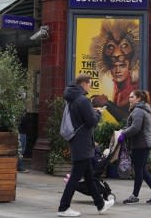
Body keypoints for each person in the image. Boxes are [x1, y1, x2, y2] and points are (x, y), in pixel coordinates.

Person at [58, 74, 114, 217]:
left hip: (79, 142)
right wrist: (99, 113)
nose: (90, 86)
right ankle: (64, 208)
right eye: (89, 84)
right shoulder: (82, 100)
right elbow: (91, 122)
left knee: (89, 177)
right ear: (84, 83)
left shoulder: (72, 98)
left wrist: (92, 112)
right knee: (75, 177)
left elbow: (80, 118)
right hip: (82, 143)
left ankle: (100, 205)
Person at [119, 89, 151, 205]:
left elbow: (135, 128)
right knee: (142, 170)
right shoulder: (141, 109)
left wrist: (123, 133)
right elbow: (134, 127)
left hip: (141, 144)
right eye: (129, 97)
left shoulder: (138, 110)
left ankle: (135, 196)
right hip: (143, 144)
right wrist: (124, 131)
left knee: (139, 170)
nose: (129, 99)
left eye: (132, 97)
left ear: (139, 99)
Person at [90, 20, 139, 122]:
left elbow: (129, 120)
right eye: (113, 66)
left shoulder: (134, 89)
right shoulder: (117, 88)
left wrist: (107, 103)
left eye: (122, 65)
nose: (117, 70)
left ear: (130, 66)